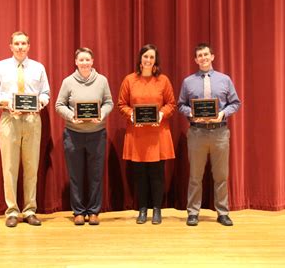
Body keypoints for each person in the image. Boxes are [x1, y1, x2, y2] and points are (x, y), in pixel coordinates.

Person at [0, 31, 50, 227]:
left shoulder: (38, 68)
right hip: (9, 119)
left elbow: (45, 93)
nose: (20, 47)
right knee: (9, 167)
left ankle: (30, 209)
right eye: (17, 43)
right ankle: (12, 211)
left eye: (24, 43)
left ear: (29, 46)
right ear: (11, 46)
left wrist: (40, 102)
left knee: (31, 167)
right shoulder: (0, 67)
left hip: (32, 120)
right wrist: (7, 102)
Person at [177, 43, 241, 227]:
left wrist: (223, 113)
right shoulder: (188, 82)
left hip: (220, 133)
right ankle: (193, 213)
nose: (203, 58)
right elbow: (181, 105)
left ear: (212, 57)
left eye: (206, 54)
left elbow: (235, 103)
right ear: (195, 60)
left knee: (221, 176)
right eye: (199, 56)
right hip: (197, 133)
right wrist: (192, 113)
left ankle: (222, 212)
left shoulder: (225, 80)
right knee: (195, 176)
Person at [118, 44, 176, 225]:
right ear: (140, 59)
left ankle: (157, 209)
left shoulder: (163, 81)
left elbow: (171, 104)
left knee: (157, 174)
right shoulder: (129, 80)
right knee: (140, 174)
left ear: (156, 60)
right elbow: (122, 104)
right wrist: (131, 114)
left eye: (151, 57)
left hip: (158, 134)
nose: (148, 60)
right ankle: (142, 209)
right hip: (137, 135)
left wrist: (161, 114)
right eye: (145, 57)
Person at [55, 47, 113, 225]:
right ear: (76, 62)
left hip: (97, 135)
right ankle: (79, 212)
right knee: (76, 175)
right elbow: (59, 104)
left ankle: (94, 211)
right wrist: (71, 116)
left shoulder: (102, 80)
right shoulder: (68, 82)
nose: (85, 63)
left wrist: (102, 115)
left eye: (87, 59)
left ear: (92, 61)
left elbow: (109, 102)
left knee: (96, 175)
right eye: (81, 60)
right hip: (73, 135)